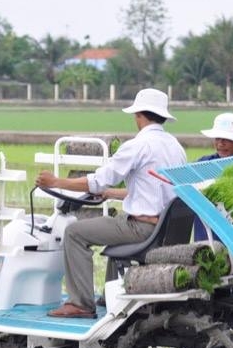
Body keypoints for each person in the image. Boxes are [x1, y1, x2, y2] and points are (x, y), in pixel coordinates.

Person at [35, 88, 187, 319]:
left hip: (143, 228)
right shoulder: (176, 147)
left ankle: (80, 304)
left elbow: (97, 181)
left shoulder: (138, 145)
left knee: (75, 233)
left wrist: (56, 182)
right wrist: (111, 193)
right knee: (114, 223)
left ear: (139, 115)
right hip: (164, 228)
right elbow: (154, 191)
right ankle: (108, 297)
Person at [194, 112, 233, 240]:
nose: (220, 143)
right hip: (205, 236)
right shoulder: (203, 164)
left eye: (227, 139)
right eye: (217, 138)